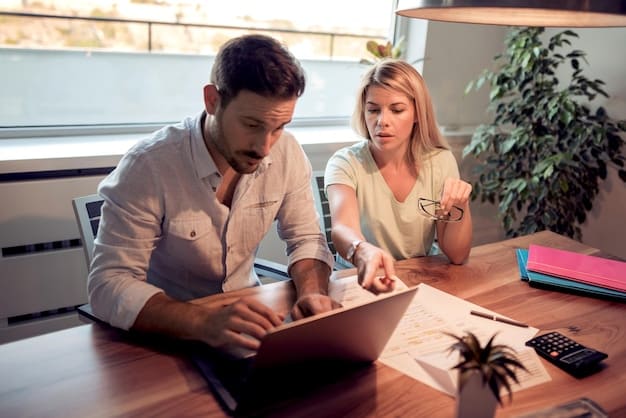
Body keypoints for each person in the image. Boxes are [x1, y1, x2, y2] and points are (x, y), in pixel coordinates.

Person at [88, 34, 339, 354]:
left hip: (248, 326)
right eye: (251, 124)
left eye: (279, 127)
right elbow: (109, 282)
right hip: (168, 334)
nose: (265, 147)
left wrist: (312, 293)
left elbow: (306, 238)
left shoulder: (288, 153)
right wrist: (204, 322)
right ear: (212, 101)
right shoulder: (149, 165)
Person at [325, 59, 473, 293]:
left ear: (417, 113)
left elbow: (457, 255)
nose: (382, 121)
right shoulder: (345, 163)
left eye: (396, 110)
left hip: (419, 279)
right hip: (358, 280)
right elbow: (342, 228)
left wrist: (461, 206)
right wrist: (362, 250)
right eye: (373, 110)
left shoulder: (440, 162)